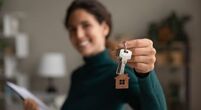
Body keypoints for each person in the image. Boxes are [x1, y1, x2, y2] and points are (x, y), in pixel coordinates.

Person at [23, 0, 167, 110]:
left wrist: (146, 73)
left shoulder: (120, 74)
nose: (78, 35)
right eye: (72, 29)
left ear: (104, 28)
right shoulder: (78, 75)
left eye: (86, 25)